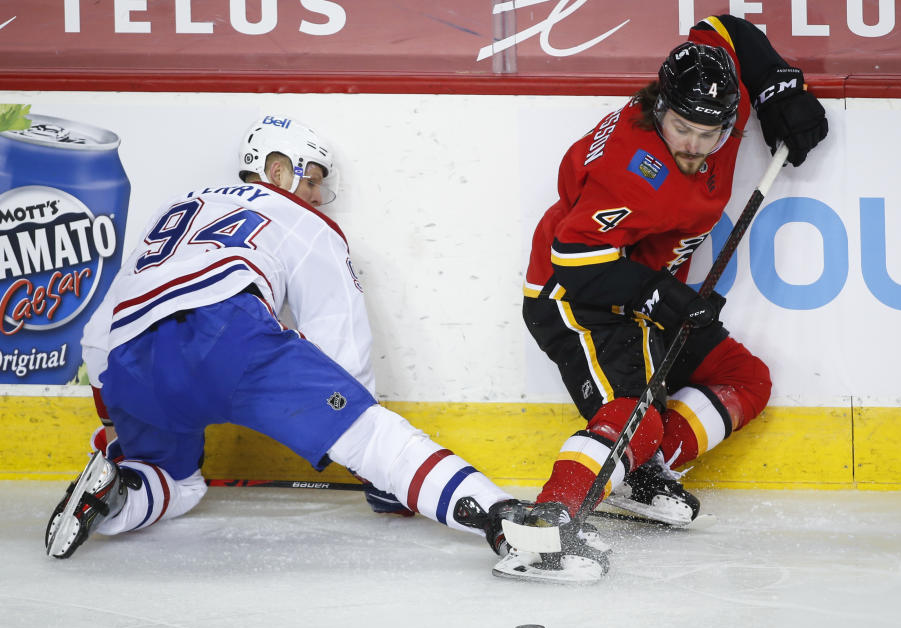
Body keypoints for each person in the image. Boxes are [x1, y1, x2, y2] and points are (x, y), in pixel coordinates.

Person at [45, 115, 608, 582]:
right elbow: (342, 352)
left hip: (125, 358)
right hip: (226, 333)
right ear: (274, 168)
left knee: (174, 480)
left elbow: (105, 320)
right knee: (369, 428)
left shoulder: (177, 205)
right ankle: (508, 523)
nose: (317, 194)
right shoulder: (300, 220)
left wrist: (113, 417)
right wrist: (378, 473)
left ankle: (117, 497)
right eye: (310, 177)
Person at [521, 15, 829, 532]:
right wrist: (663, 296)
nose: (692, 145)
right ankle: (549, 520)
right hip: (577, 300)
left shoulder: (716, 103)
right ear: (658, 107)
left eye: (708, 134)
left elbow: (722, 28)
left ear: (732, 121)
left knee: (744, 379)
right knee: (633, 415)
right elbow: (574, 261)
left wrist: (779, 88)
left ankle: (645, 475)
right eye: (681, 128)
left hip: (647, 293)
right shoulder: (633, 170)